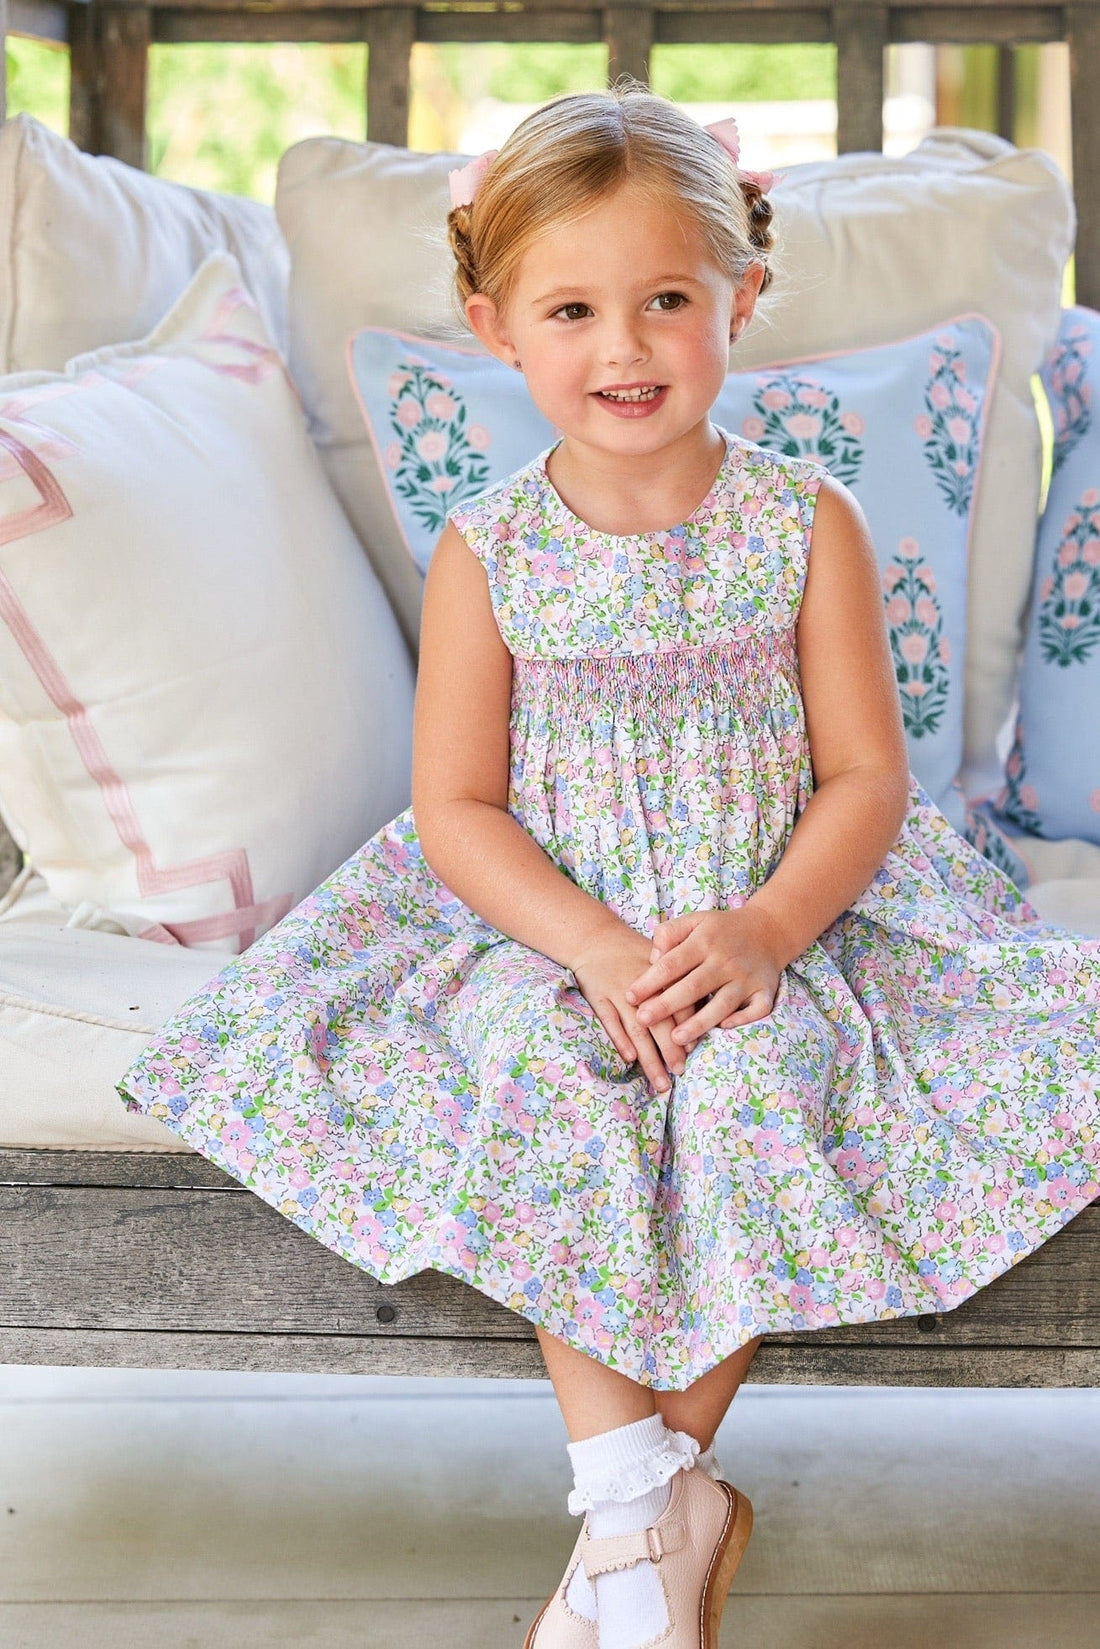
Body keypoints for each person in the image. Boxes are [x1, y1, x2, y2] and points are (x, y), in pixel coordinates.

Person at [116, 82, 1100, 1649]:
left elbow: (869, 776)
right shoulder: (490, 549)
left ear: (742, 299)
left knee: (762, 1083)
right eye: (573, 309)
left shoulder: (807, 523)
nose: (624, 346)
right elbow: (458, 806)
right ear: (497, 326)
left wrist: (770, 926)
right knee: (543, 1078)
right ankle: (645, 1507)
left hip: (780, 910)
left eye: (667, 301)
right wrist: (584, 945)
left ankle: (637, 1533)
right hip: (552, 920)